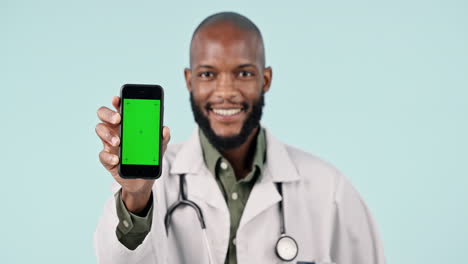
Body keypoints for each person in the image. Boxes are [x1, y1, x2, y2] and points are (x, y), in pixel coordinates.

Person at [93, 11, 386, 264]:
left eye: (243, 74)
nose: (226, 92)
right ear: (189, 80)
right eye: (208, 74)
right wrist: (136, 195)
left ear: (266, 79)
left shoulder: (328, 188)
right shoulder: (157, 181)